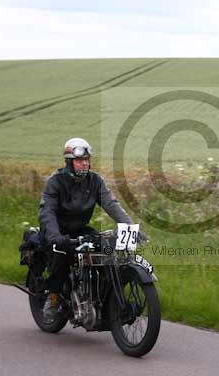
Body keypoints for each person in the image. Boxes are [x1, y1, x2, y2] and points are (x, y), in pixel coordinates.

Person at [39, 137, 146, 322]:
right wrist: (55, 236)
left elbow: (112, 205)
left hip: (80, 229)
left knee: (105, 252)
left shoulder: (95, 181)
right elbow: (47, 211)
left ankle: (99, 299)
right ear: (69, 161)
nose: (84, 164)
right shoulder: (55, 181)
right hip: (57, 231)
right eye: (80, 160)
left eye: (87, 160)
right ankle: (53, 298)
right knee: (61, 254)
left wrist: (131, 228)